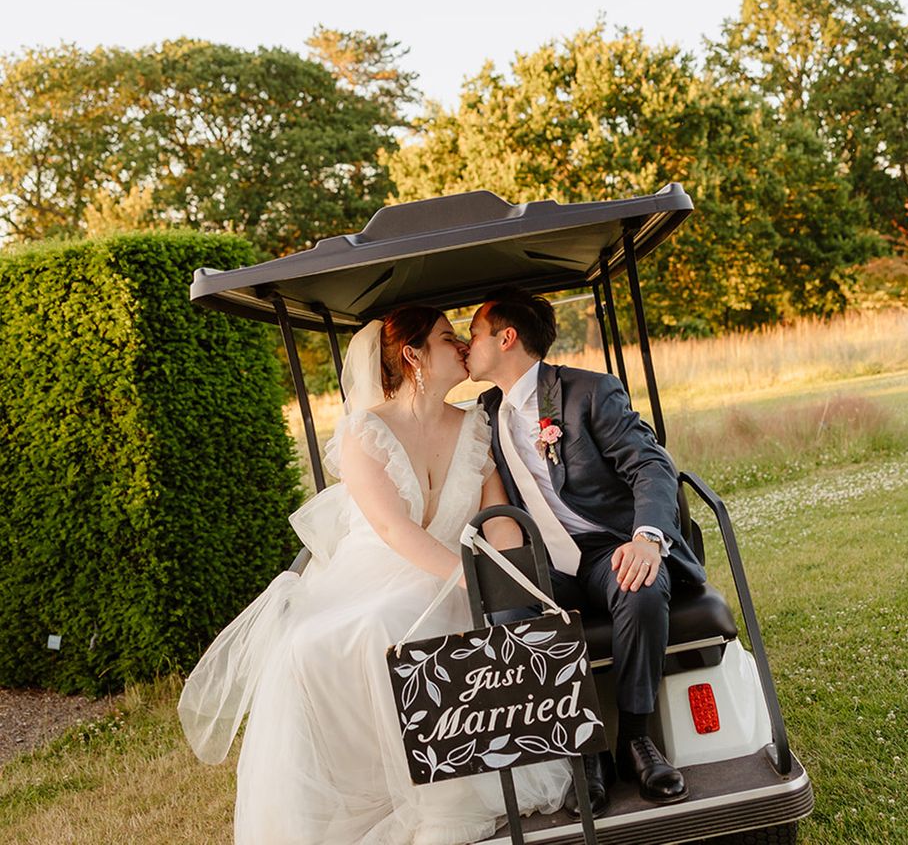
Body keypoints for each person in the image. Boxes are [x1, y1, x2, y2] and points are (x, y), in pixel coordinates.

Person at [178, 306, 571, 845]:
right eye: (445, 338)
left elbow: (497, 517)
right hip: (379, 574)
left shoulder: (473, 426)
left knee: (413, 625)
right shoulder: (367, 430)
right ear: (413, 355)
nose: (460, 346)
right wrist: (465, 577)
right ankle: (386, 798)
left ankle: (445, 789)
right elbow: (390, 528)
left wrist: (505, 573)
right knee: (357, 631)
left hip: (454, 580)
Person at [465, 287, 708, 818]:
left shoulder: (587, 392)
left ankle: (636, 740)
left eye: (474, 334)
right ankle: (582, 748)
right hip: (541, 562)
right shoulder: (482, 413)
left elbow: (651, 466)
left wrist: (646, 538)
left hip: (605, 547)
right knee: (508, 613)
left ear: (506, 338)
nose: (467, 344)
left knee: (640, 585)